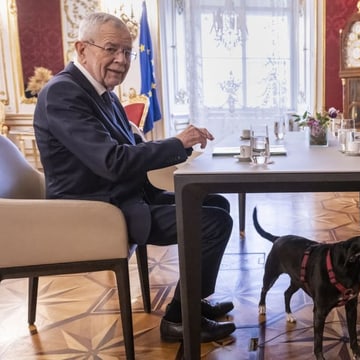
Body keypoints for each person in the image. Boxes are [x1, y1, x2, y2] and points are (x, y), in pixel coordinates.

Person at [33, 12, 235, 343]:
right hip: (96, 212)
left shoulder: (104, 93)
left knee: (215, 204)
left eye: (128, 52)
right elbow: (113, 162)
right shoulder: (62, 94)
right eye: (112, 49)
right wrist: (175, 144)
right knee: (213, 223)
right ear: (81, 48)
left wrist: (175, 147)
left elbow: (131, 148)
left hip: (125, 198)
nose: (122, 60)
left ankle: (192, 300)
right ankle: (178, 320)